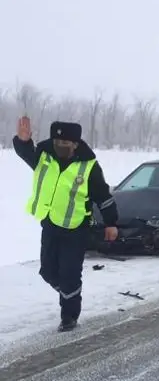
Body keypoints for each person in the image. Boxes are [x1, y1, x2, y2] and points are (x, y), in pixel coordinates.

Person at [13, 116, 119, 332]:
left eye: (65, 143)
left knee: (70, 274)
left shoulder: (89, 166)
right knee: (48, 271)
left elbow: (103, 196)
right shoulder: (44, 157)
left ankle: (69, 315)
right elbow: (25, 153)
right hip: (50, 223)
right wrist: (23, 141)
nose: (60, 145)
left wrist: (111, 223)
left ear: (75, 144)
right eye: (57, 142)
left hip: (76, 228)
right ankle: (69, 294)